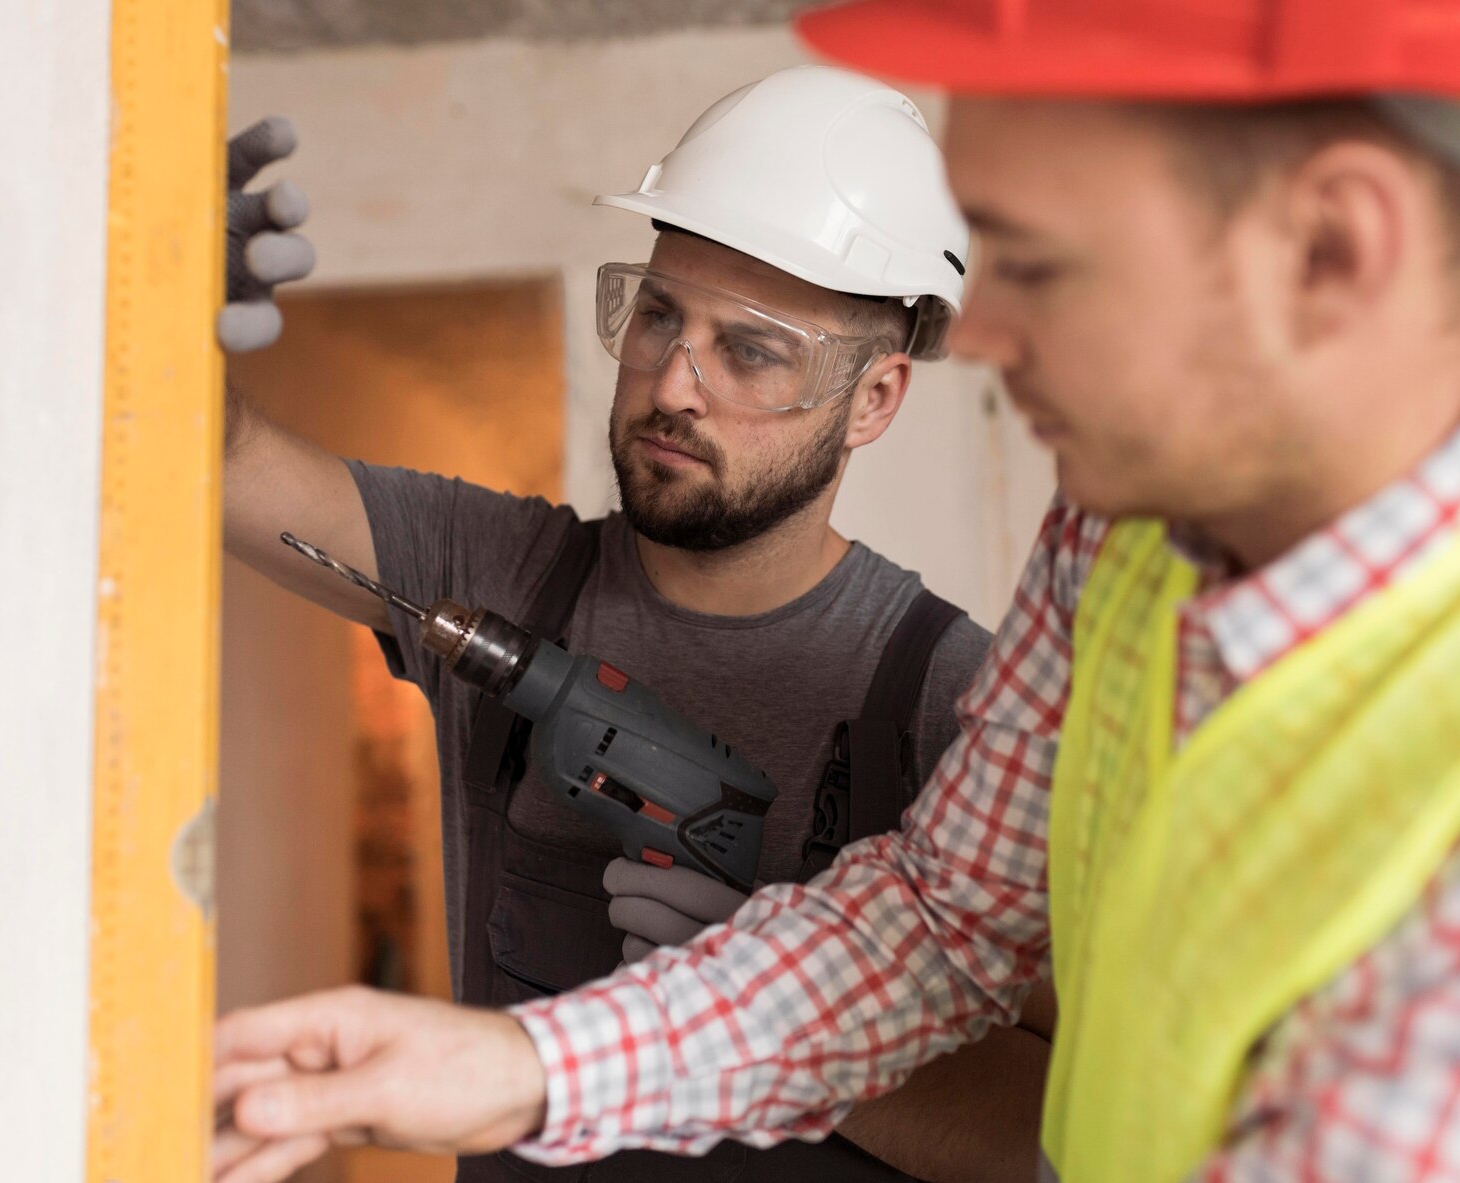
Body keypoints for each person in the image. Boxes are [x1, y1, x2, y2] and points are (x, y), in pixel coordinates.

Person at [216, 0, 1460, 1178]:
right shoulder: (1121, 535)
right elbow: (940, 921)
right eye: (657, 318)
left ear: (1332, 248)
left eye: (1037, 265)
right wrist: (523, 1066)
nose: (978, 335)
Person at [216, 64, 1055, 1183]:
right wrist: (166, 309)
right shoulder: (506, 573)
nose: (671, 385)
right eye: (658, 315)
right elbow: (225, 465)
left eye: (750, 350)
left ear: (873, 399)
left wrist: (775, 992)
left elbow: (1057, 1132)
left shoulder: (962, 701)